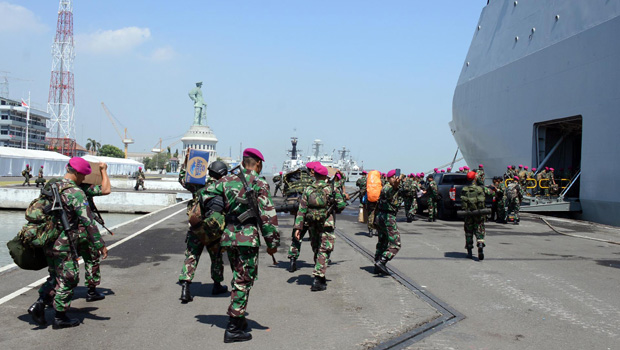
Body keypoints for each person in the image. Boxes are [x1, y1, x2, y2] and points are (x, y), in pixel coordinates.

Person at [203, 148, 279, 343]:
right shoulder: (260, 183)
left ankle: (240, 318)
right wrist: (272, 243)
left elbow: (206, 194)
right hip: (247, 238)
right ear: (258, 164)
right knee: (244, 279)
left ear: (243, 162)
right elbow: (268, 216)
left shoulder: (226, 181)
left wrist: (219, 206)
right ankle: (234, 327)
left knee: (239, 275)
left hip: (229, 236)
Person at [28, 157, 107, 329]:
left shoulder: (53, 186)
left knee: (56, 276)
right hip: (64, 242)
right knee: (69, 278)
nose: (83, 179)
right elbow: (88, 221)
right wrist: (100, 244)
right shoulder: (75, 192)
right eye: (83, 176)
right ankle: (60, 317)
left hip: (48, 239)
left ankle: (40, 305)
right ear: (78, 173)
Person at [179, 161, 229, 302]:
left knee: (192, 256)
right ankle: (217, 285)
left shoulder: (199, 184)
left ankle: (185, 287)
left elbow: (182, 179)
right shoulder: (224, 187)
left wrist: (187, 163)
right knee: (217, 257)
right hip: (214, 231)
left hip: (197, 228)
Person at [293, 164, 345, 291]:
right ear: (325, 176)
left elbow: (301, 210)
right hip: (326, 224)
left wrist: (298, 228)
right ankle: (318, 278)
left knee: (316, 248)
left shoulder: (308, 190)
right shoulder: (330, 189)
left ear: (314, 175)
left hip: (312, 224)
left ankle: (320, 276)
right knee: (325, 250)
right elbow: (341, 205)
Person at [77, 162, 111, 302]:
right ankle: (91, 290)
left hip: (63, 233)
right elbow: (106, 189)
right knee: (91, 258)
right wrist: (103, 171)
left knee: (62, 264)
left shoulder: (61, 186)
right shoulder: (83, 188)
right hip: (82, 230)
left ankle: (46, 296)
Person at [374, 170, 403, 275]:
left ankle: (377, 264)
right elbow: (391, 192)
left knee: (383, 242)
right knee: (396, 243)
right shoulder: (388, 188)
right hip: (387, 218)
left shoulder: (388, 187)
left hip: (381, 217)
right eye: (394, 177)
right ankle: (382, 261)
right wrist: (395, 185)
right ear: (390, 178)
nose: (396, 179)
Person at [461, 171, 494, 260]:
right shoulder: (481, 188)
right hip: (479, 213)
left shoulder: (464, 189)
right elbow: (492, 193)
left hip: (468, 214)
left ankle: (469, 251)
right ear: (475, 178)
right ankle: (480, 243)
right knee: (480, 230)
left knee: (468, 232)